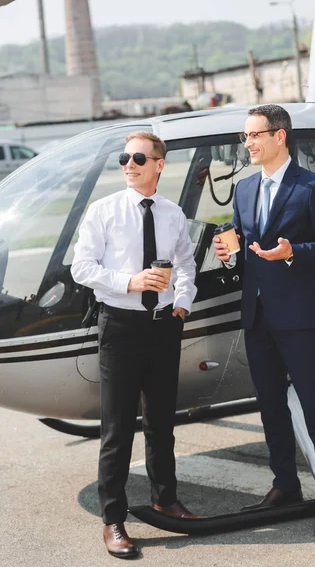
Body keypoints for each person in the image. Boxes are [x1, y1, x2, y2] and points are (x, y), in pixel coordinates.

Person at [213, 104, 315, 537]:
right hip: (257, 316)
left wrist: (295, 252)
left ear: (280, 136)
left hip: (300, 316)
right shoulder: (245, 189)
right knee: (270, 406)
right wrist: (228, 250)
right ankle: (285, 485)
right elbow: (241, 235)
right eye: (245, 136)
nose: (248, 143)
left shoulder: (312, 187)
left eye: (254, 135)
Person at [71, 131, 198, 559]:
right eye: (124, 157)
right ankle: (113, 520)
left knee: (162, 422)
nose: (129, 163)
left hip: (164, 327)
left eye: (138, 157)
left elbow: (185, 263)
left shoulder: (173, 213)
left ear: (159, 164)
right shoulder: (103, 211)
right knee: (118, 427)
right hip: (120, 328)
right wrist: (130, 281)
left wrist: (182, 302)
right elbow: (82, 268)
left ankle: (167, 499)